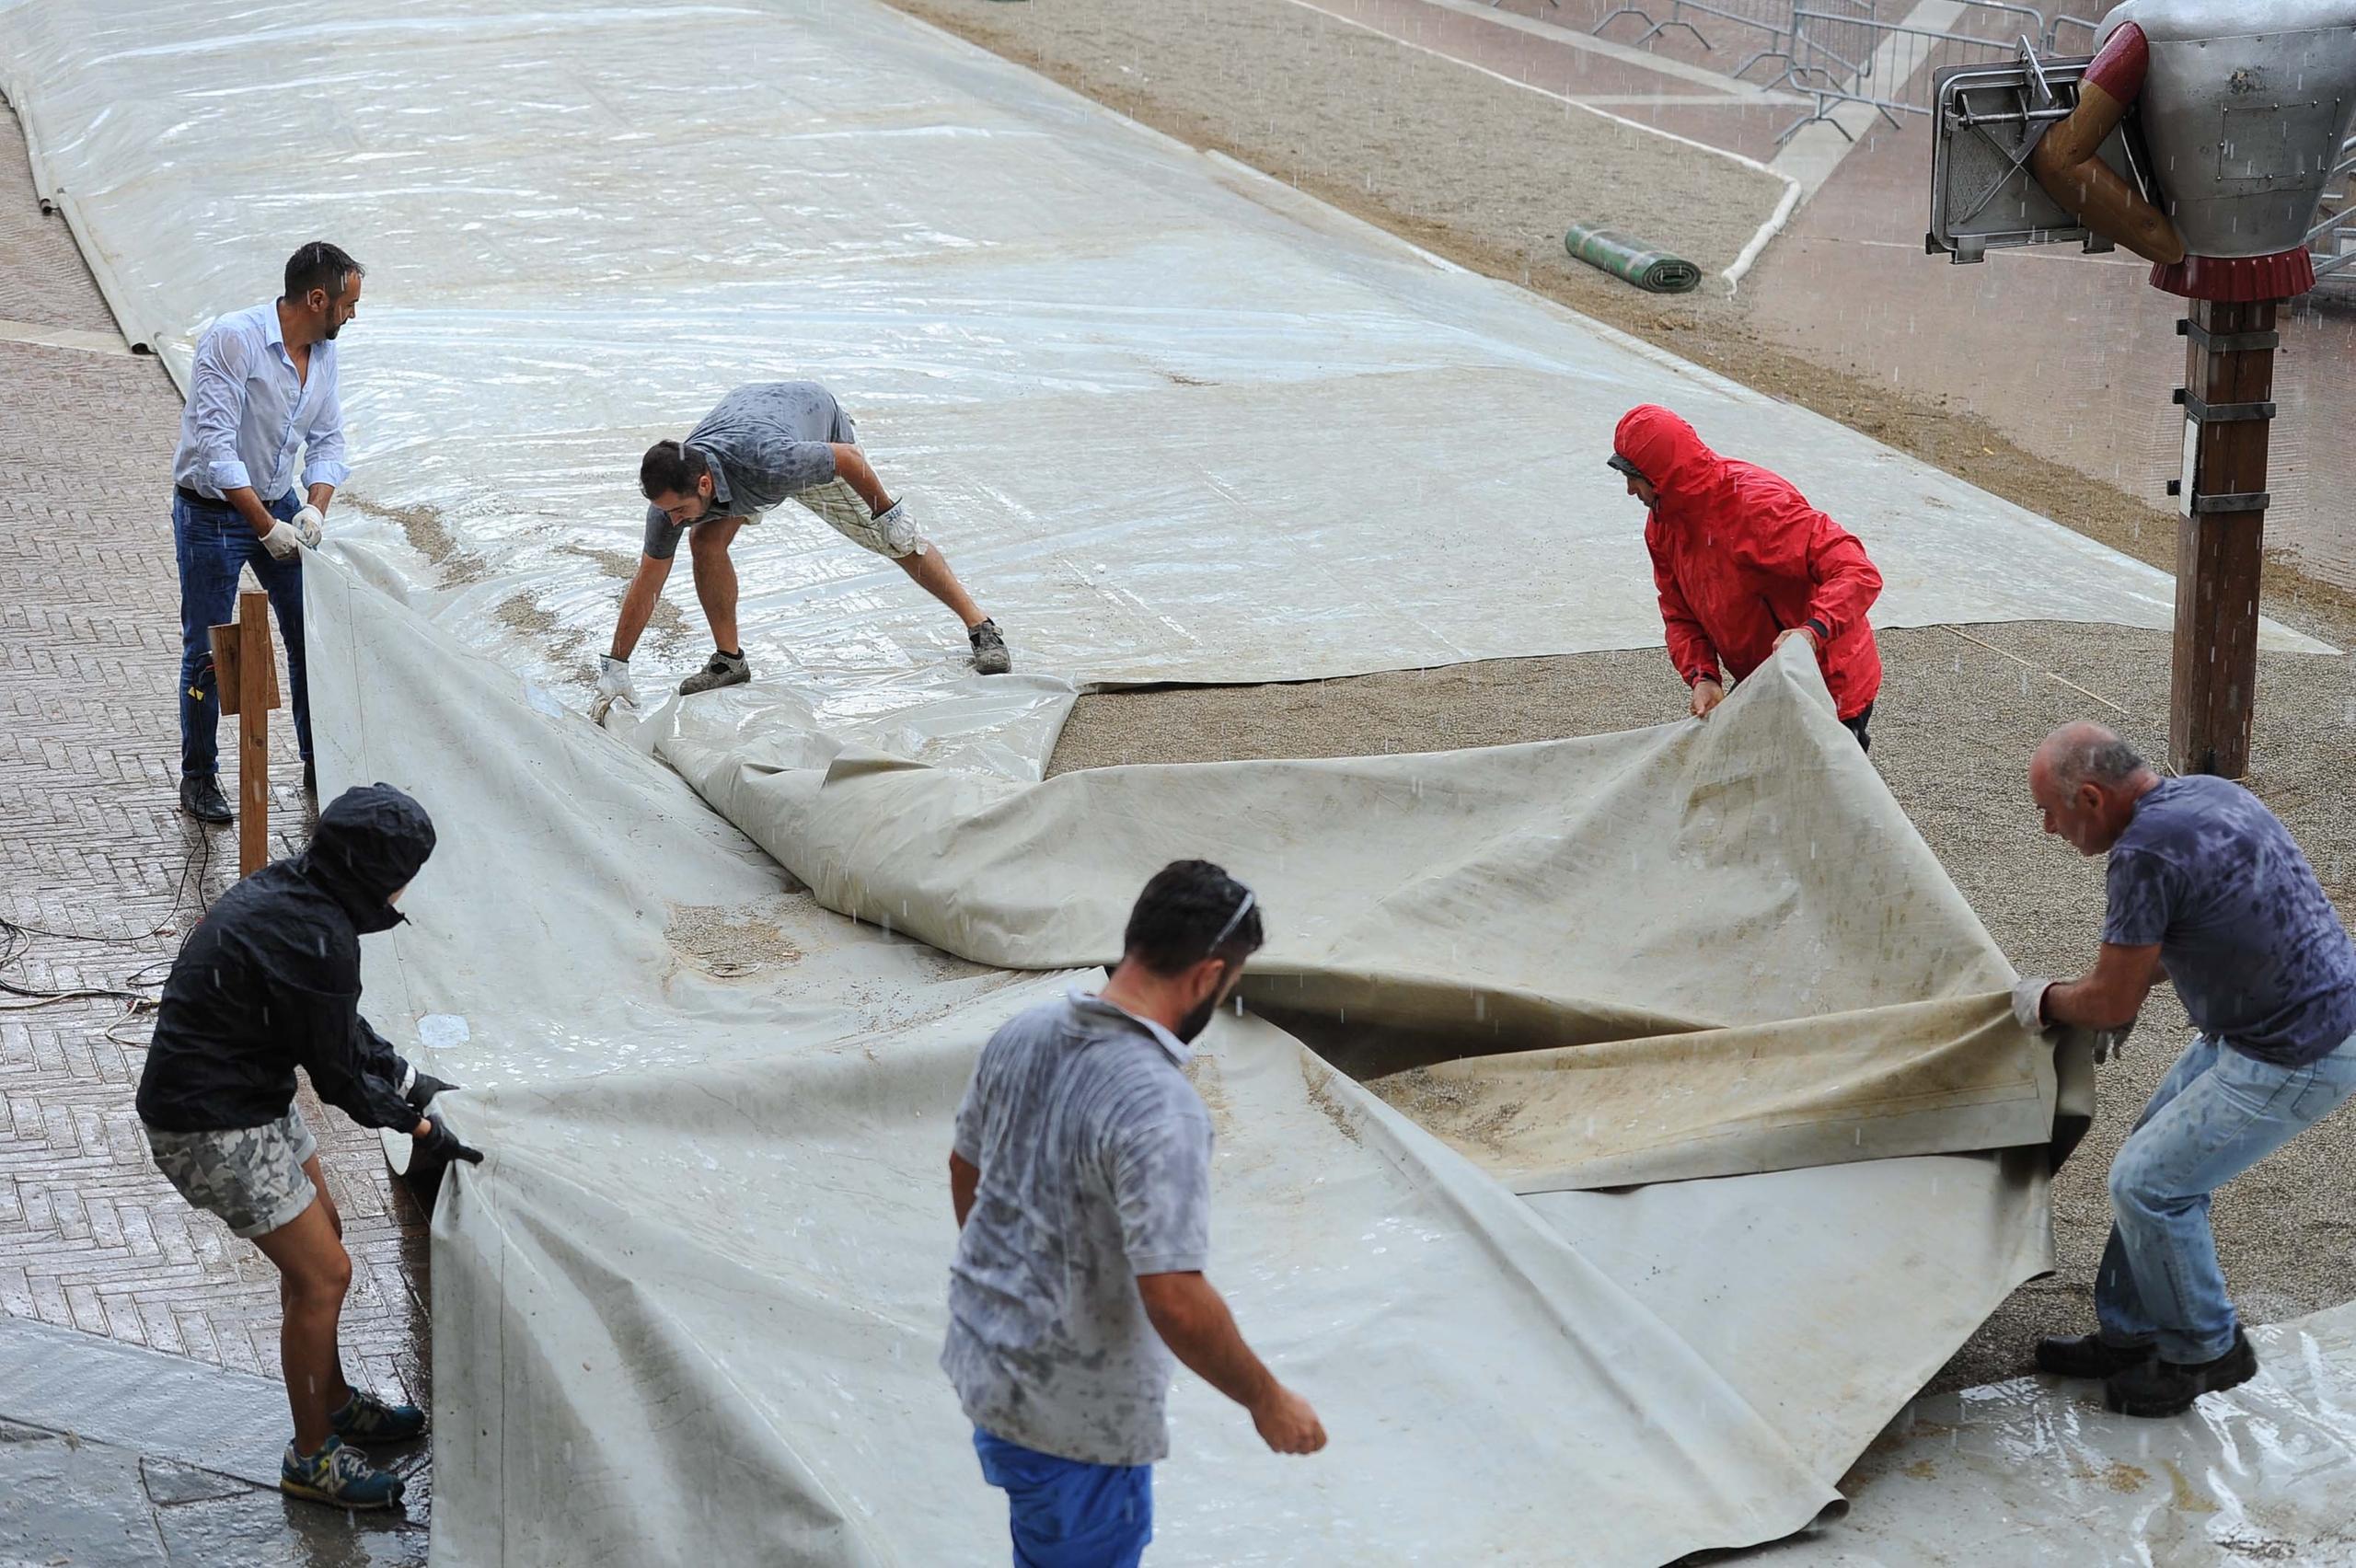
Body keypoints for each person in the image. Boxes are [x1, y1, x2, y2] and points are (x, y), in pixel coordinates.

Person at [941, 860, 1325, 1565]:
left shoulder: (1021, 1035)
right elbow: (1174, 1298)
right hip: (1074, 1426)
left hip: (987, 1368)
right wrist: (1267, 1399)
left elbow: (966, 1170)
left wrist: (1021, 1294)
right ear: (1210, 976)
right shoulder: (1159, 1107)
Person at [137, 784, 483, 1508]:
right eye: (401, 873)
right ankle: (312, 1458)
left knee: (324, 1237)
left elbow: (339, 1029)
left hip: (250, 1094)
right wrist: (420, 1129)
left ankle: (332, 1398)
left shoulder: (301, 896)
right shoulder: (317, 936)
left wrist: (410, 1080)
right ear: (369, 871)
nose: (403, 888)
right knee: (325, 1276)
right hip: (209, 1121)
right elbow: (338, 1078)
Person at [2013, 722, 2356, 1417]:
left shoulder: (2141, 854)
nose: (2048, 829)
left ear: (2090, 797)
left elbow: (2109, 996)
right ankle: (2133, 1333)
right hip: (2278, 1018)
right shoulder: (2207, 795)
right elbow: (2204, 928)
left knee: (2150, 1185)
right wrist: (2126, 987)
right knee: (2151, 1159)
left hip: (2298, 1047)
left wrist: (2043, 1000)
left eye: (2049, 812)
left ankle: (2205, 1348)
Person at [592, 381, 1011, 718]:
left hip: (814, 422)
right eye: (667, 512)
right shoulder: (670, 507)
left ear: (703, 485)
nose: (674, 521)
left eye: (680, 510)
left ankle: (981, 626)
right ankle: (729, 661)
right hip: (750, 413)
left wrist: (887, 513)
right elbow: (648, 582)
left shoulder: (773, 464)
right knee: (705, 540)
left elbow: (847, 457)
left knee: (896, 543)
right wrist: (617, 664)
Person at [169, 241, 364, 823]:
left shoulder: (324, 354)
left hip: (279, 499)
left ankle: (316, 764)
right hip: (211, 511)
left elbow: (329, 442)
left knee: (308, 636)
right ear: (316, 298)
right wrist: (264, 527)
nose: (352, 316)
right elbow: (216, 449)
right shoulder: (233, 340)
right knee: (206, 648)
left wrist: (314, 511)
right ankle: (199, 777)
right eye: (348, 305)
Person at [1610, 404, 1885, 750]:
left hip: (1827, 682)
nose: (1631, 491)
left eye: (1633, 478)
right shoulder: (1663, 527)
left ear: (1661, 476)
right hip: (1765, 680)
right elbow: (1679, 613)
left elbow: (1857, 571)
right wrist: (1703, 677)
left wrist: (1812, 632)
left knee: (1826, 801)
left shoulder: (1758, 506)